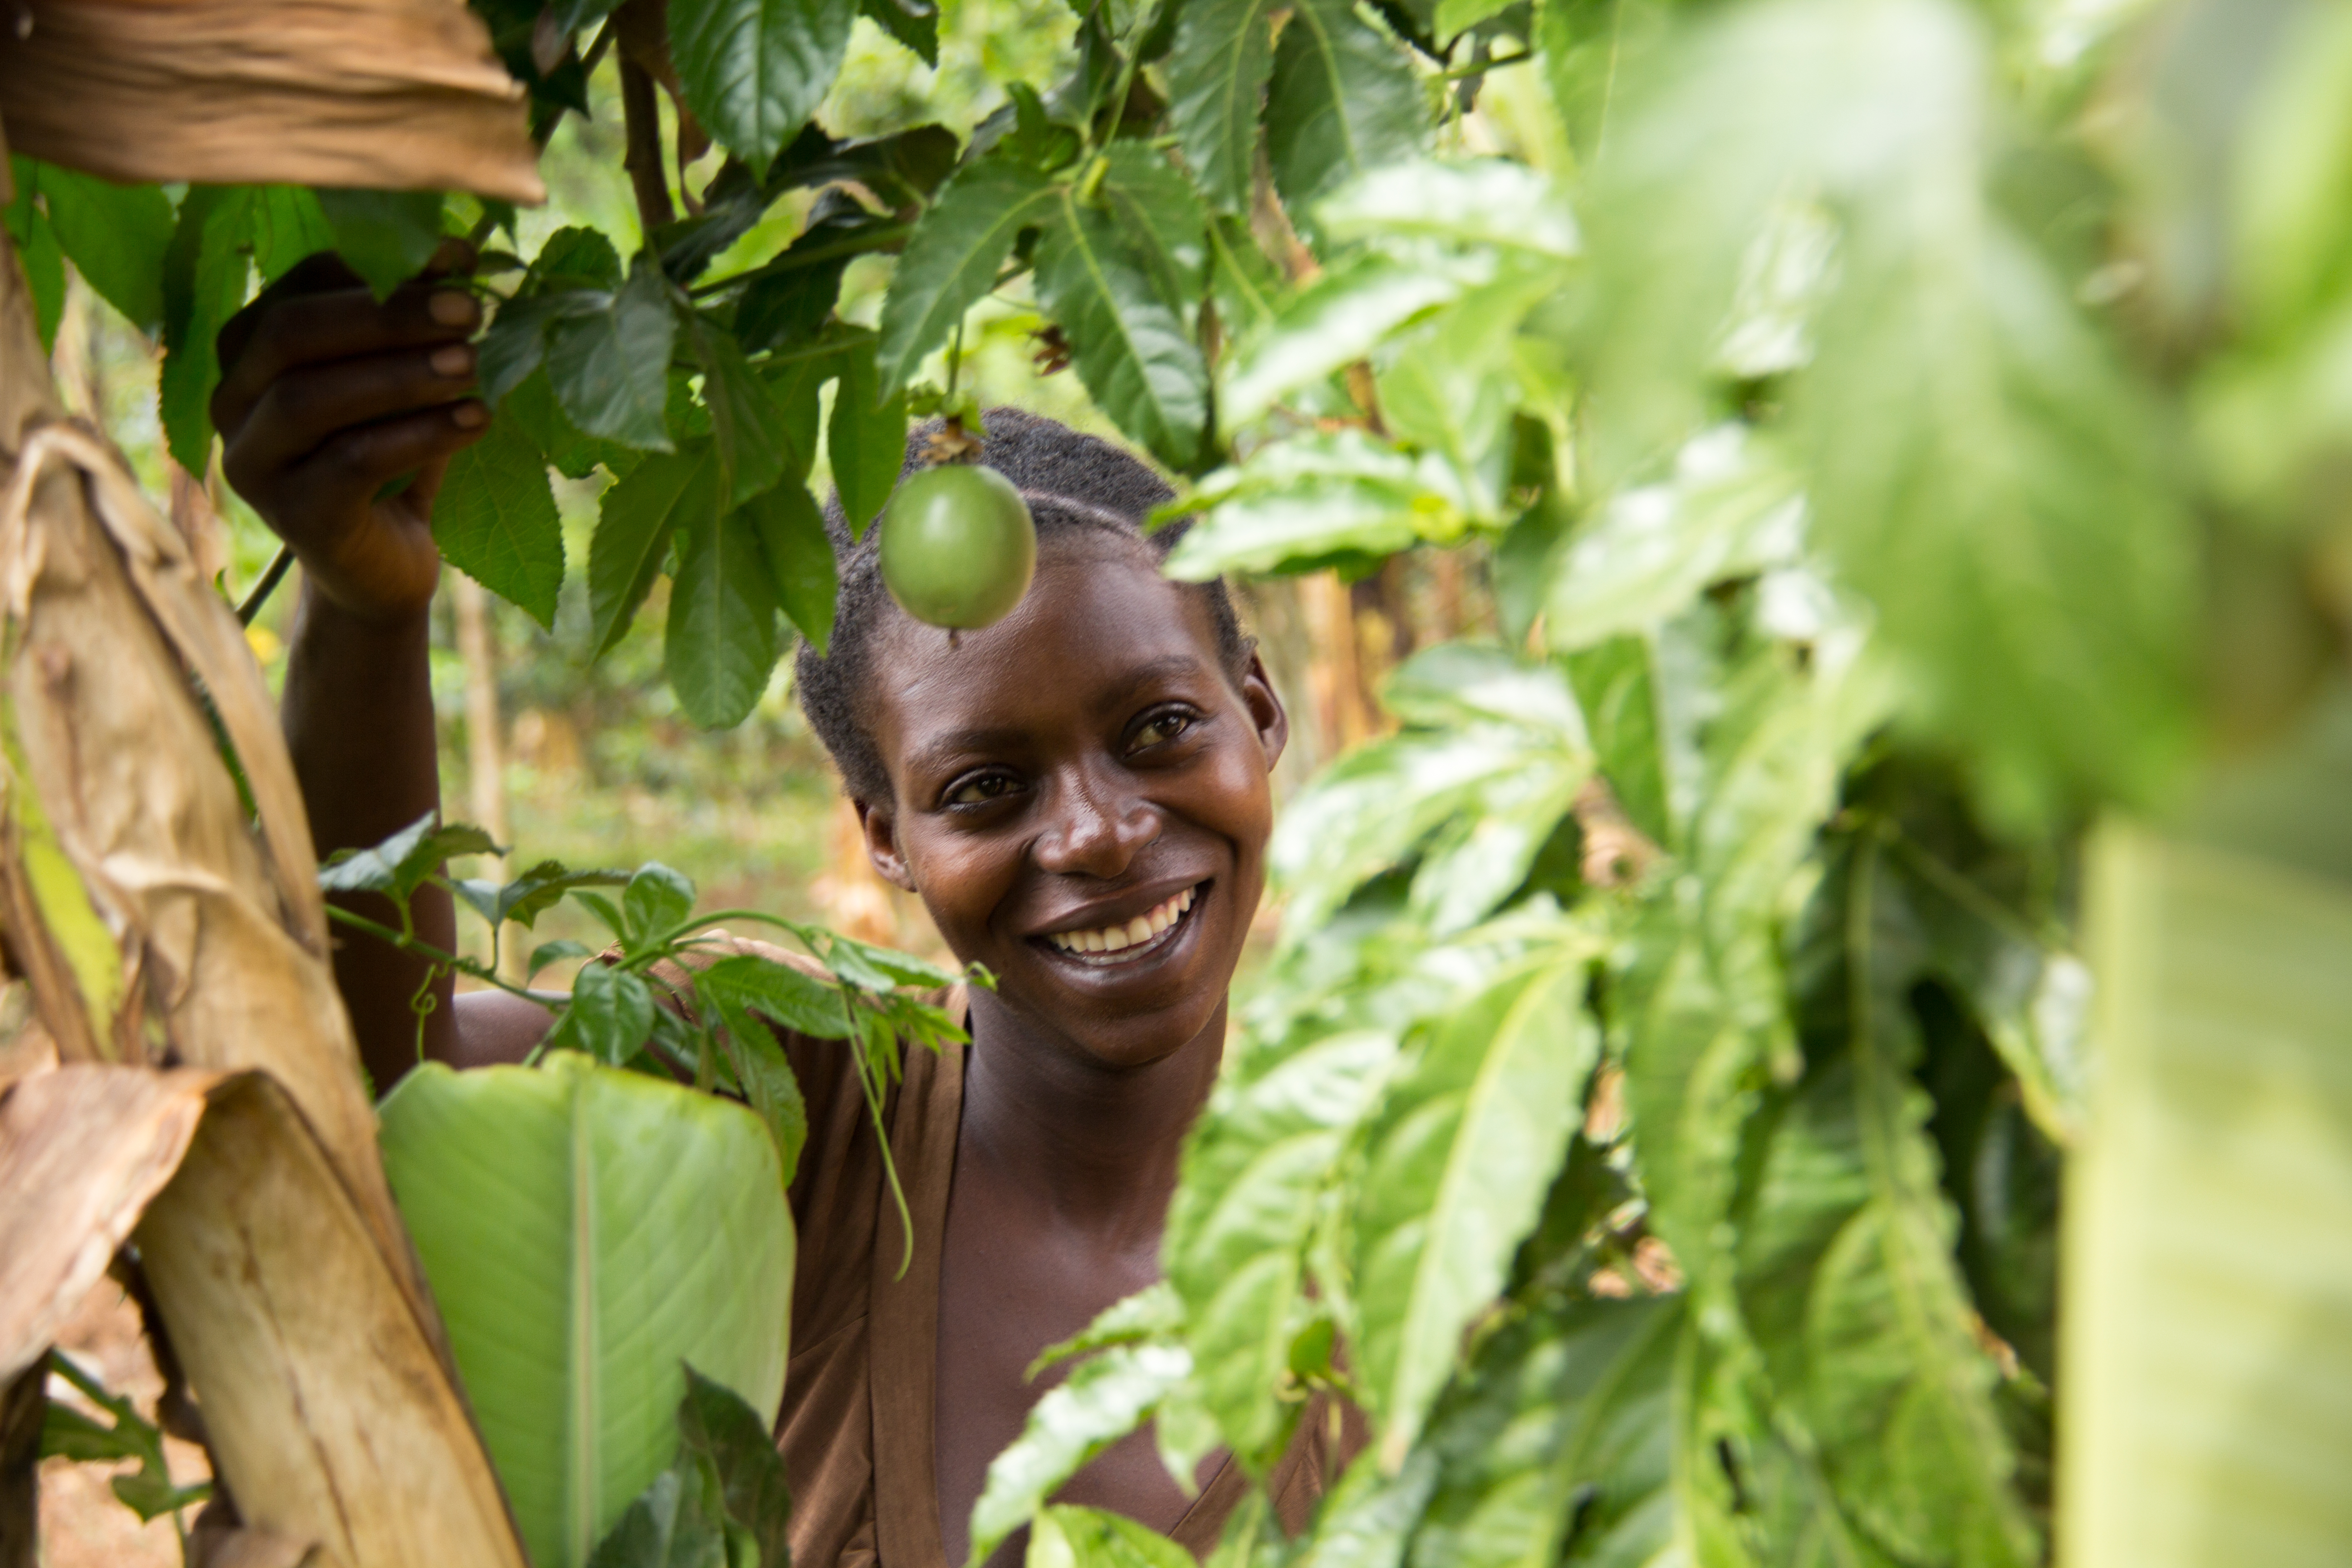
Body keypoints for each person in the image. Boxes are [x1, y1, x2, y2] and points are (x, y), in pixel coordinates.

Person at [214, 254, 1364, 1567]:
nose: (1097, 832)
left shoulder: (1432, 1237)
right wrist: (364, 613)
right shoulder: (796, 1099)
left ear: (1260, 715)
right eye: (986, 787)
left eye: (1161, 728)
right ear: (886, 836)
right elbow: (371, 1078)